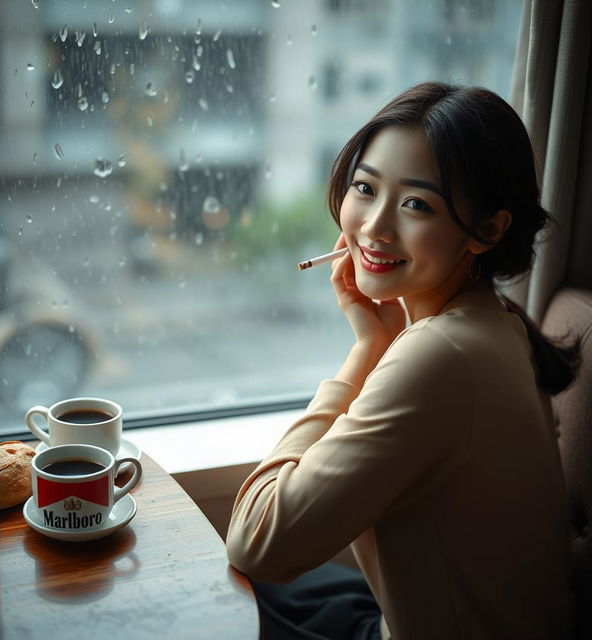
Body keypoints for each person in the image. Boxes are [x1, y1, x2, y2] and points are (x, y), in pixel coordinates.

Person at [225, 81, 581, 640]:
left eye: (416, 203)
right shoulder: (494, 320)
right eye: (364, 187)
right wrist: (379, 343)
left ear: (487, 230)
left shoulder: (442, 354)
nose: (373, 226)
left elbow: (257, 540)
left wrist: (367, 350)